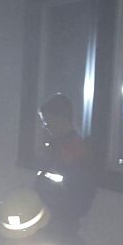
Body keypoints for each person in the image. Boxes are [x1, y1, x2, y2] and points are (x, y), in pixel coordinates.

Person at [35, 93, 98, 236]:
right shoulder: (57, 147)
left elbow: (79, 199)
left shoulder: (75, 152)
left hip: (60, 225)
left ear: (60, 119)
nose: (45, 126)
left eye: (47, 121)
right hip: (48, 221)